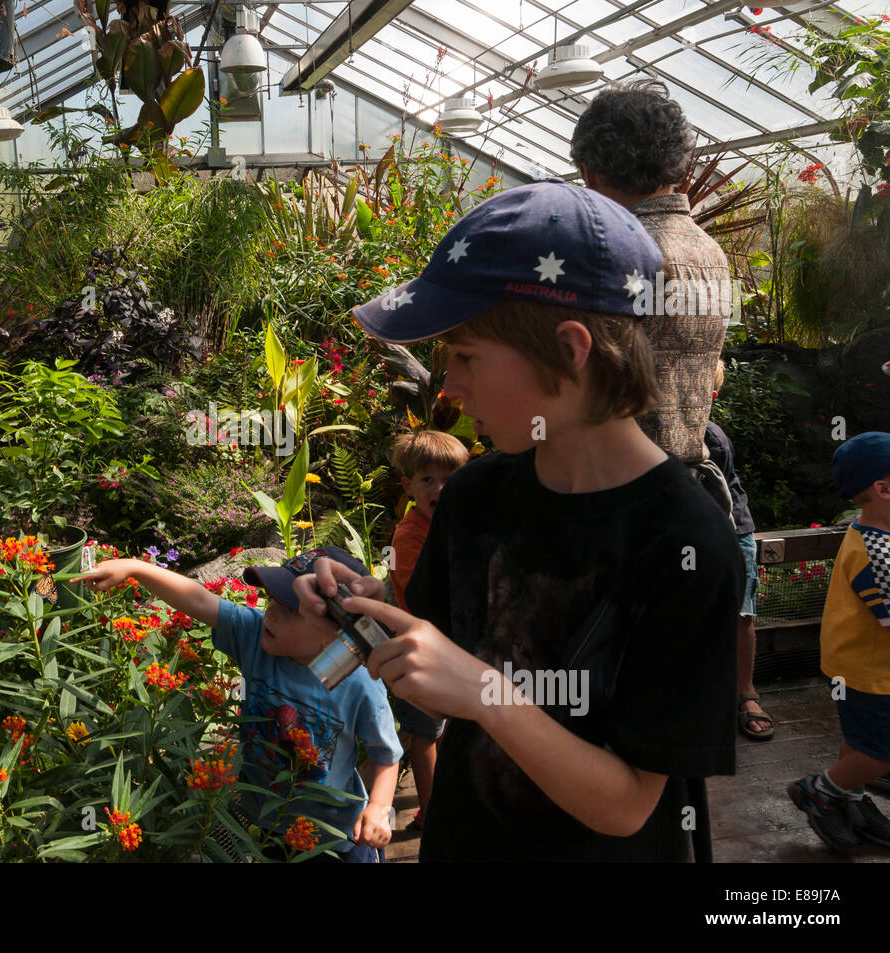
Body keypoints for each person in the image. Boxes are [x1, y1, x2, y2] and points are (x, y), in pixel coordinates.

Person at [297, 180, 742, 861]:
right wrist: (359, 604)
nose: (447, 388)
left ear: (570, 349)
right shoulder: (476, 493)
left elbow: (628, 803)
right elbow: (444, 661)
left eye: (467, 357)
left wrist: (484, 692)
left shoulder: (686, 541)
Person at [80, 547, 402, 862]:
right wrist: (137, 568)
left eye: (291, 610)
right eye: (272, 600)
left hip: (334, 837)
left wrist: (378, 807)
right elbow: (200, 599)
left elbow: (385, 753)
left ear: (333, 634)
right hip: (263, 820)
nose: (271, 613)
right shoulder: (256, 635)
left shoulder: (358, 682)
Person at [571, 79, 731, 497]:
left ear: (591, 172)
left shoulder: (619, 249)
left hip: (614, 484)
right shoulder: (711, 251)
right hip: (687, 484)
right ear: (679, 165)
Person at [787, 431, 890, 851]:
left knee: (859, 741)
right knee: (881, 753)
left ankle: (851, 795)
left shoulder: (866, 533)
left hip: (853, 668)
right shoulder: (877, 554)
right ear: (883, 489)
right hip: (872, 675)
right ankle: (821, 790)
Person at [388, 430, 469, 831]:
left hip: (446, 651)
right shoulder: (411, 535)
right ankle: (431, 812)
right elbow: (420, 599)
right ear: (409, 486)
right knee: (424, 735)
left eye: (450, 479)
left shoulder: (452, 524)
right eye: (427, 480)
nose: (440, 488)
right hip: (418, 654)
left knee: (441, 730)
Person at [704, 362, 771, 740]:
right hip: (693, 531)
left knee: (742, 613)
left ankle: (745, 692)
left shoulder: (711, 436)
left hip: (732, 527)